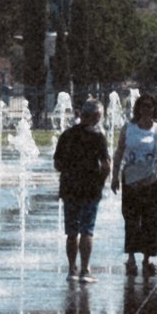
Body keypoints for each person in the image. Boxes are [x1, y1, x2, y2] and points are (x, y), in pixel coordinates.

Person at [111, 93, 157, 277]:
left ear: (154, 109)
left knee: (151, 220)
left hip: (152, 181)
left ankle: (147, 258)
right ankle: (131, 257)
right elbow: (119, 152)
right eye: (143, 106)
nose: (147, 109)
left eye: (150, 106)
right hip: (131, 180)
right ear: (138, 108)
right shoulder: (128, 128)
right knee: (131, 219)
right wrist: (114, 175)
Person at [52, 97, 109, 280]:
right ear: (97, 116)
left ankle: (71, 270)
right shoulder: (98, 137)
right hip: (90, 189)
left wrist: (70, 172)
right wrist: (101, 181)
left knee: (71, 232)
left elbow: (57, 163)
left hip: (69, 189)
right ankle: (85, 270)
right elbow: (106, 164)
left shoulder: (66, 135)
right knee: (87, 230)